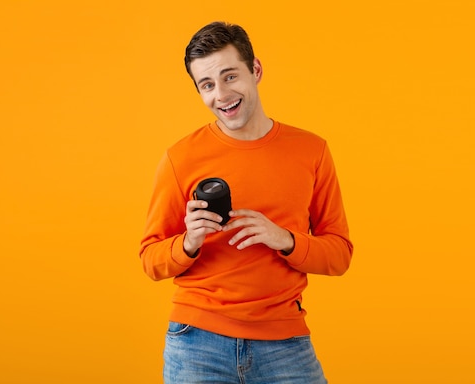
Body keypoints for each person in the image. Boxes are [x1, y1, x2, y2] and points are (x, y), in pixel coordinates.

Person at [139, 21, 353, 384]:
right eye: (207, 85)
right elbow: (150, 260)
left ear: (255, 70)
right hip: (196, 343)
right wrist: (189, 242)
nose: (220, 94)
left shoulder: (311, 150)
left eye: (230, 77)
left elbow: (339, 255)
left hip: (285, 343)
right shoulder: (181, 157)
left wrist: (283, 239)